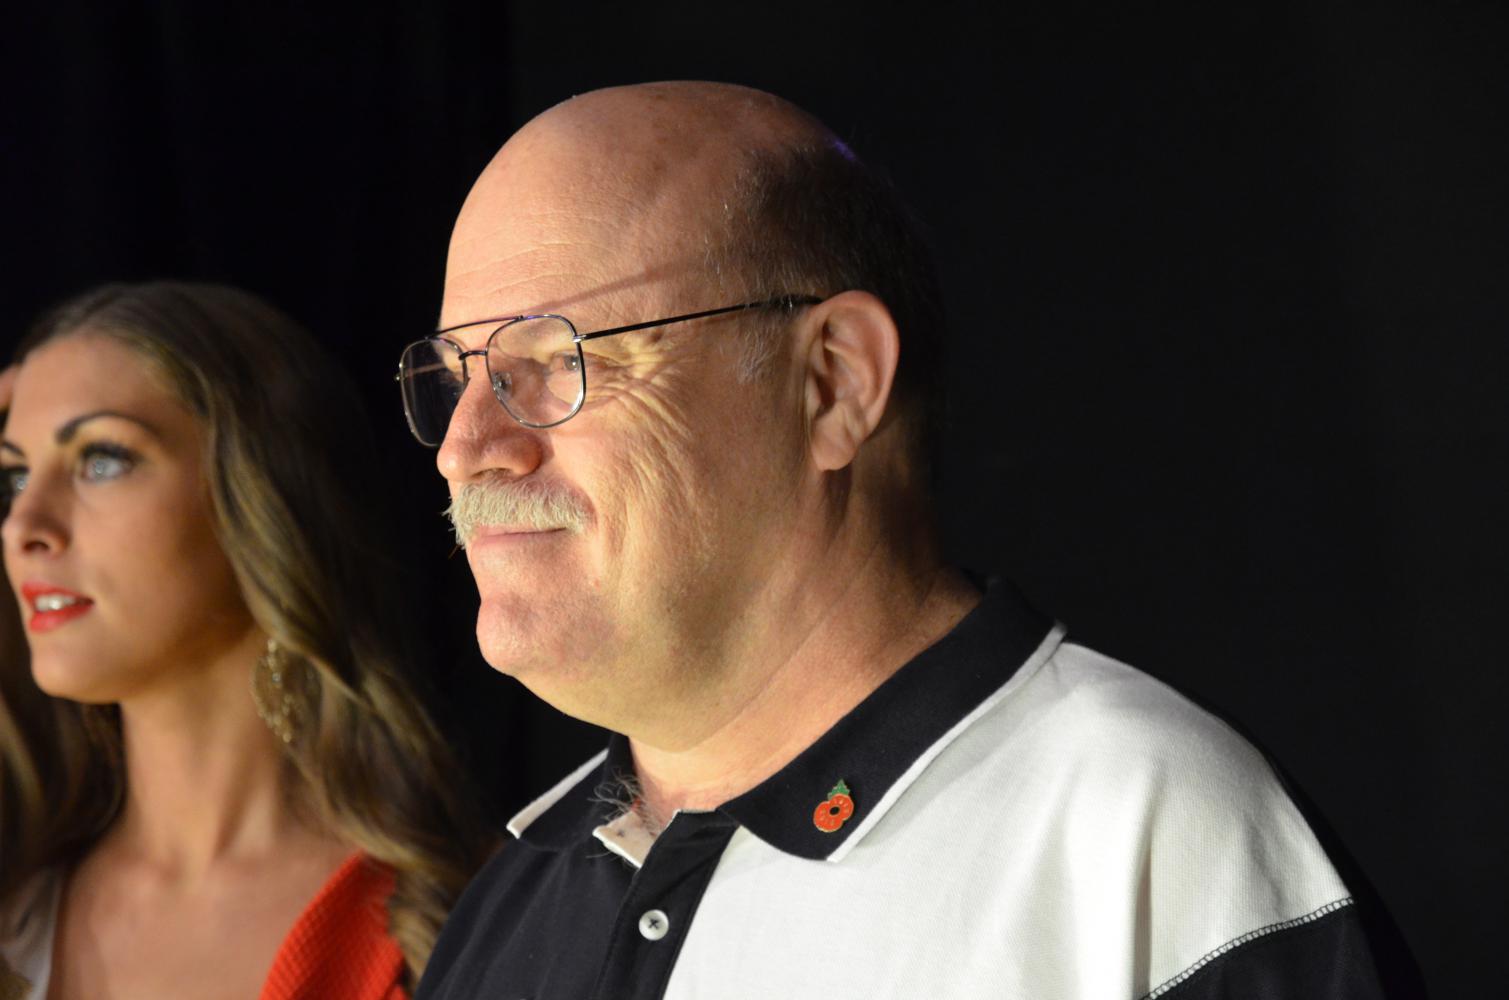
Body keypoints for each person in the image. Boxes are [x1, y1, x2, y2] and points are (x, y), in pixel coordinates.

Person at [401, 82, 1387, 999]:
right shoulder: (503, 920)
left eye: (553, 360)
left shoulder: (1151, 841)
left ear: (833, 381)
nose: (464, 450)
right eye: (456, 377)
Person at [0, 282, 489, 999]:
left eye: (101, 459)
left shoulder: (466, 924)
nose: (23, 525)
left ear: (262, 495)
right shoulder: (17, 912)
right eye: (14, 476)